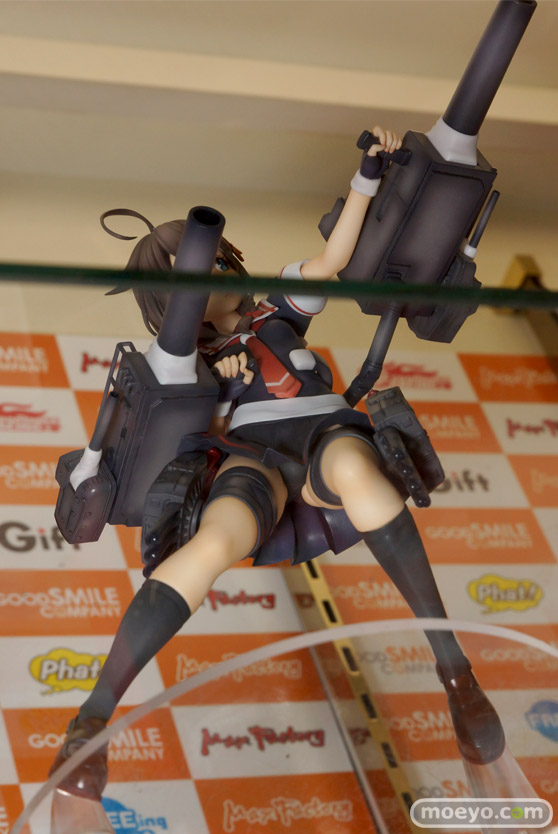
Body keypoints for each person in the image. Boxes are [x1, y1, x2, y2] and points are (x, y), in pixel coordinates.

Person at [50, 127, 503, 801]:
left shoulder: (278, 310)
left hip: (323, 433)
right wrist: (218, 382)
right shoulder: (187, 363)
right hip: (252, 454)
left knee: (360, 474)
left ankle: (455, 673)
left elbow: (333, 258)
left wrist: (367, 175)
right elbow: (181, 423)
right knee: (215, 541)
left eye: (217, 262)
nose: (216, 277)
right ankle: (91, 721)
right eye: (192, 277)